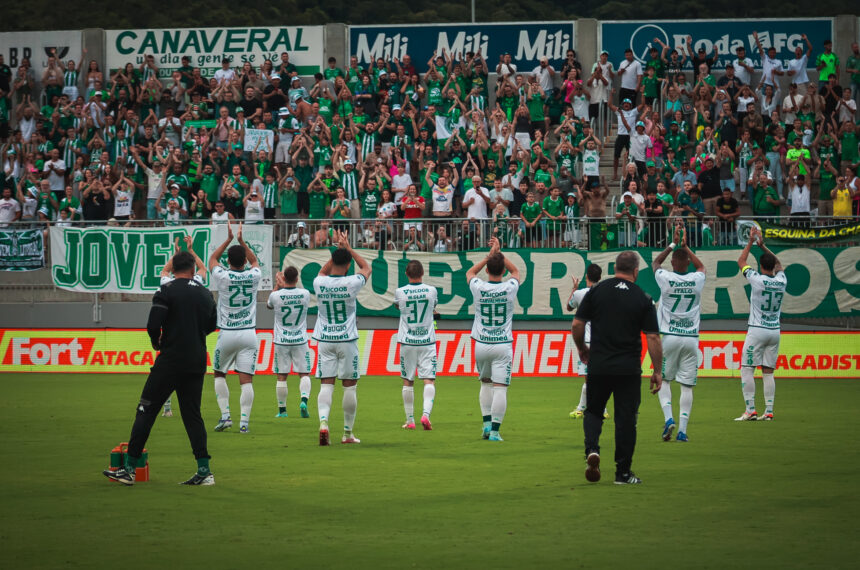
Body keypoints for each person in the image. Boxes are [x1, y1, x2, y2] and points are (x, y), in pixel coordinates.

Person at [102, 249, 218, 486]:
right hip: (196, 360)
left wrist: (157, 342)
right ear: (194, 269)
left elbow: (153, 324)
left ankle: (129, 469)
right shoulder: (206, 294)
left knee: (146, 410)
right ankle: (204, 470)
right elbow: (211, 326)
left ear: (173, 269)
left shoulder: (166, 291)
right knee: (192, 415)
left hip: (171, 360)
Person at [572, 251, 662, 485]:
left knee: (593, 411)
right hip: (628, 369)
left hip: (599, 364)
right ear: (635, 271)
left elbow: (577, 323)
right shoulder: (643, 298)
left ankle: (592, 450)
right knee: (625, 419)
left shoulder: (596, 291)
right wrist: (658, 370)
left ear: (614, 268)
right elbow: (653, 338)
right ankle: (623, 473)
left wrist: (582, 348)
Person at [313, 230, 372, 445]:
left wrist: (337, 252)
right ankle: (347, 433)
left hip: (325, 339)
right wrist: (348, 248)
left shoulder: (319, 283)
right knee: (349, 385)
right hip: (346, 339)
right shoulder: (352, 282)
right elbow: (367, 268)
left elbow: (323, 271)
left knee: (326, 385)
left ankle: (323, 423)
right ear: (348, 266)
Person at [652, 224, 706, 442]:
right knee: (687, 385)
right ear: (688, 263)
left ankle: (668, 419)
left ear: (673, 263)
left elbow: (656, 262)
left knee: (664, 380)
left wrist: (673, 243)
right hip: (692, 339)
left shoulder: (665, 277)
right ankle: (682, 430)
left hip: (670, 337)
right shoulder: (696, 279)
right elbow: (701, 266)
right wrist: (686, 246)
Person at [209, 223, 262, 433]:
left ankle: (225, 417)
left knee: (219, 373)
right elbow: (255, 260)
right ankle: (244, 424)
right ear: (244, 262)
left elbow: (212, 260)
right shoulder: (253, 275)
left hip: (228, 333)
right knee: (246, 380)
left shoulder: (222, 276)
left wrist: (227, 240)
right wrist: (241, 241)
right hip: (249, 332)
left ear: (228, 261)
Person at [466, 237, 520, 442]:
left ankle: (486, 425)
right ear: (503, 271)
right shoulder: (509, 287)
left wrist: (489, 256)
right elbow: (516, 272)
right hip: (502, 344)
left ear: (487, 270)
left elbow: (470, 273)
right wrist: (500, 254)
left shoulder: (479, 286)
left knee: (485, 384)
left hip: (481, 343)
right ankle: (495, 432)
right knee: (500, 387)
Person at [736, 228, 787, 422]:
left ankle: (750, 410)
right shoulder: (782, 280)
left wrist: (751, 242)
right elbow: (780, 264)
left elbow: (741, 262)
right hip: (774, 331)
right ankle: (769, 411)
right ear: (773, 266)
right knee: (768, 372)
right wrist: (763, 245)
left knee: (747, 369)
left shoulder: (756, 279)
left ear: (760, 265)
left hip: (757, 330)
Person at [394, 260, 439, 430]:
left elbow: (398, 306)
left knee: (408, 380)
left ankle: (410, 420)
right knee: (429, 380)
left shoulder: (400, 292)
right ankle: (426, 415)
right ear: (422, 273)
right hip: (427, 341)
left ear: (406, 274)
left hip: (408, 341)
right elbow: (433, 307)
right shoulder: (431, 291)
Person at [267, 266, 313, 419]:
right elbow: (297, 291)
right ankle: (304, 400)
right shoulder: (305, 294)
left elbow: (269, 305)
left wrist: (277, 285)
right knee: (304, 373)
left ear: (284, 278)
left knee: (281, 376)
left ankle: (282, 411)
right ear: (297, 278)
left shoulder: (276, 296)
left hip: (282, 340)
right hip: (300, 340)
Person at [566, 264, 608, 420]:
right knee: (599, 378)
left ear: (586, 277)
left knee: (589, 378)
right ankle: (601, 409)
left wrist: (574, 289)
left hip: (587, 342)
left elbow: (569, 307)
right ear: (600, 277)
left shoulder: (579, 294)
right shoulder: (606, 294)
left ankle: (582, 409)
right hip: (603, 342)